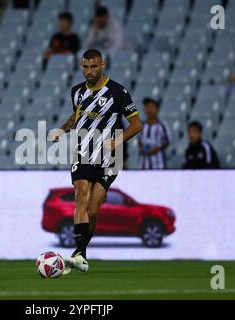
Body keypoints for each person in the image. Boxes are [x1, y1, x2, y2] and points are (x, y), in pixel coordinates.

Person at [51, 49, 142, 273]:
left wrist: (118, 140)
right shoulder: (77, 92)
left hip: (110, 157)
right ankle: (80, 254)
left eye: (93, 66)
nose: (89, 71)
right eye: (85, 67)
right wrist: (62, 130)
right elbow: (76, 116)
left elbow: (137, 125)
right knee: (81, 196)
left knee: (92, 211)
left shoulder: (117, 91)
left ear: (102, 65)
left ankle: (80, 252)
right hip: (82, 151)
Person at [138, 98, 172, 169]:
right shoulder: (141, 125)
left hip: (158, 165)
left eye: (152, 107)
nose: (149, 110)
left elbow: (168, 141)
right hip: (144, 165)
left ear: (157, 110)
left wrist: (157, 149)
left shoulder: (162, 125)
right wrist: (143, 148)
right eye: (147, 107)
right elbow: (139, 140)